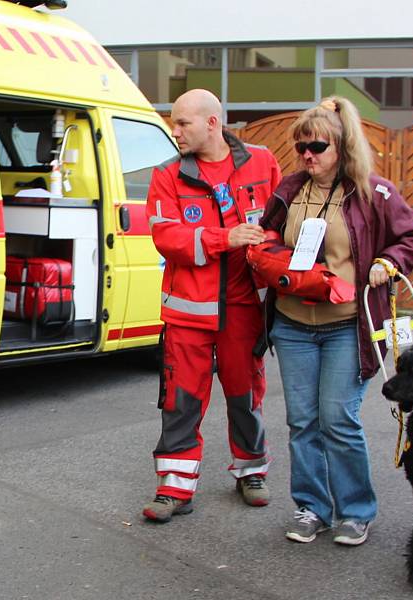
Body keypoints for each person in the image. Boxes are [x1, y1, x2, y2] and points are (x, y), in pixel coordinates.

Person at [260, 96, 413, 545]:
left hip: (347, 327)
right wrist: (266, 251)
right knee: (302, 422)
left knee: (338, 419)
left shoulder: (375, 192)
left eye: (316, 146)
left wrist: (389, 261)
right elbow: (267, 234)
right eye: (300, 147)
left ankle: (355, 511)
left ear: (341, 145)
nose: (307, 156)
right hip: (293, 324)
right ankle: (311, 507)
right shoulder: (290, 189)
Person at [142, 89, 282, 523]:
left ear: (212, 123)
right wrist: (226, 239)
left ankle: (251, 470)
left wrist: (271, 256)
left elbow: (280, 225)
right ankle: (174, 487)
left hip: (244, 309)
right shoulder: (167, 174)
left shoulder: (262, 162)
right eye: (173, 122)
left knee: (246, 395)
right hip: (188, 314)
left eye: (182, 123)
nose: (175, 130)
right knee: (182, 400)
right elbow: (167, 238)